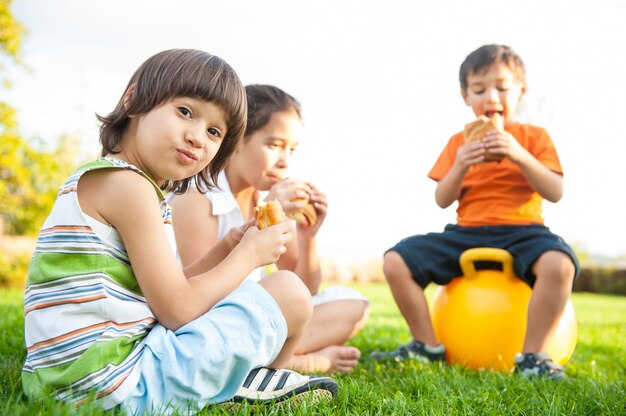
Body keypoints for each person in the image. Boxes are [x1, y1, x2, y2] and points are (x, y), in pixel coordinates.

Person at [21, 49, 338, 415]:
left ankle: (248, 382)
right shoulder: (130, 187)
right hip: (115, 387)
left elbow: (161, 293)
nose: (197, 137)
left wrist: (228, 247)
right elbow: (176, 309)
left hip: (74, 382)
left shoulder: (118, 181)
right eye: (185, 112)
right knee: (288, 291)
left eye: (214, 131)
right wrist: (249, 256)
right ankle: (245, 386)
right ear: (134, 100)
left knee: (290, 294)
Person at [370, 44, 579, 379]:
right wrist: (461, 164)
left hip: (524, 229)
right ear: (465, 97)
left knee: (560, 263)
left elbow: (555, 191)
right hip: (466, 231)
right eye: (480, 90)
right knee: (395, 260)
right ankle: (426, 346)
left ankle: (533, 357)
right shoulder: (459, 142)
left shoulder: (534, 137)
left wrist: (518, 154)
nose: (491, 97)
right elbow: (442, 198)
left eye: (501, 87)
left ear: (521, 91)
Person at [170, 84, 370, 374]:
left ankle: (265, 356)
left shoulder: (266, 201)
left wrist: (307, 236)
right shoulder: (197, 194)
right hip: (205, 320)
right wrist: (264, 216)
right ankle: (296, 361)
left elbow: (305, 289)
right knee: (282, 301)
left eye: (292, 149)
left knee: (353, 304)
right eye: (274, 145)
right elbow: (202, 295)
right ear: (237, 139)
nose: (284, 161)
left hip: (254, 317)